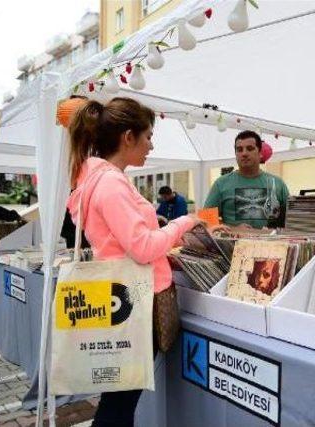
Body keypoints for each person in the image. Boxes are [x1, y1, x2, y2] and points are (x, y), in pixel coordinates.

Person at [66, 97, 213, 427]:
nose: (151, 145)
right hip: (134, 302)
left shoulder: (96, 179)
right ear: (127, 137)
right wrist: (183, 223)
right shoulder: (110, 183)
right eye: (147, 136)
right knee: (118, 406)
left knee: (118, 401)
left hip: (123, 298)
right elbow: (144, 248)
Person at [204, 130, 289, 229]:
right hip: (233, 244)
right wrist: (234, 229)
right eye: (239, 149)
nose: (244, 153)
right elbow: (205, 221)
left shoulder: (278, 183)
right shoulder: (221, 184)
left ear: (260, 153)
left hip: (271, 243)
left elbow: (292, 220)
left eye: (250, 148)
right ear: (235, 154)